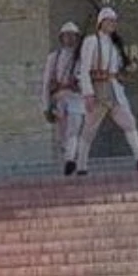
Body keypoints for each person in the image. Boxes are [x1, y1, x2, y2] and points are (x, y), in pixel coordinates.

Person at [75, 7, 138, 173]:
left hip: (114, 89)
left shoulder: (113, 45)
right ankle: (81, 165)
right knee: (90, 128)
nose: (112, 23)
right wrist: (88, 93)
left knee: (129, 122)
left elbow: (116, 70)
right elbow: (83, 69)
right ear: (100, 23)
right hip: (98, 89)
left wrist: (125, 72)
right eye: (108, 20)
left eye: (114, 21)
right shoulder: (91, 41)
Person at [41, 21, 87, 176]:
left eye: (73, 36)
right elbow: (47, 83)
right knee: (62, 138)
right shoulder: (54, 57)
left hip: (76, 99)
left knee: (74, 132)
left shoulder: (82, 57)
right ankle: (68, 164)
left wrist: (77, 82)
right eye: (66, 36)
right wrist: (46, 107)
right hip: (60, 99)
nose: (69, 39)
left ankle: (71, 162)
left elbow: (85, 78)